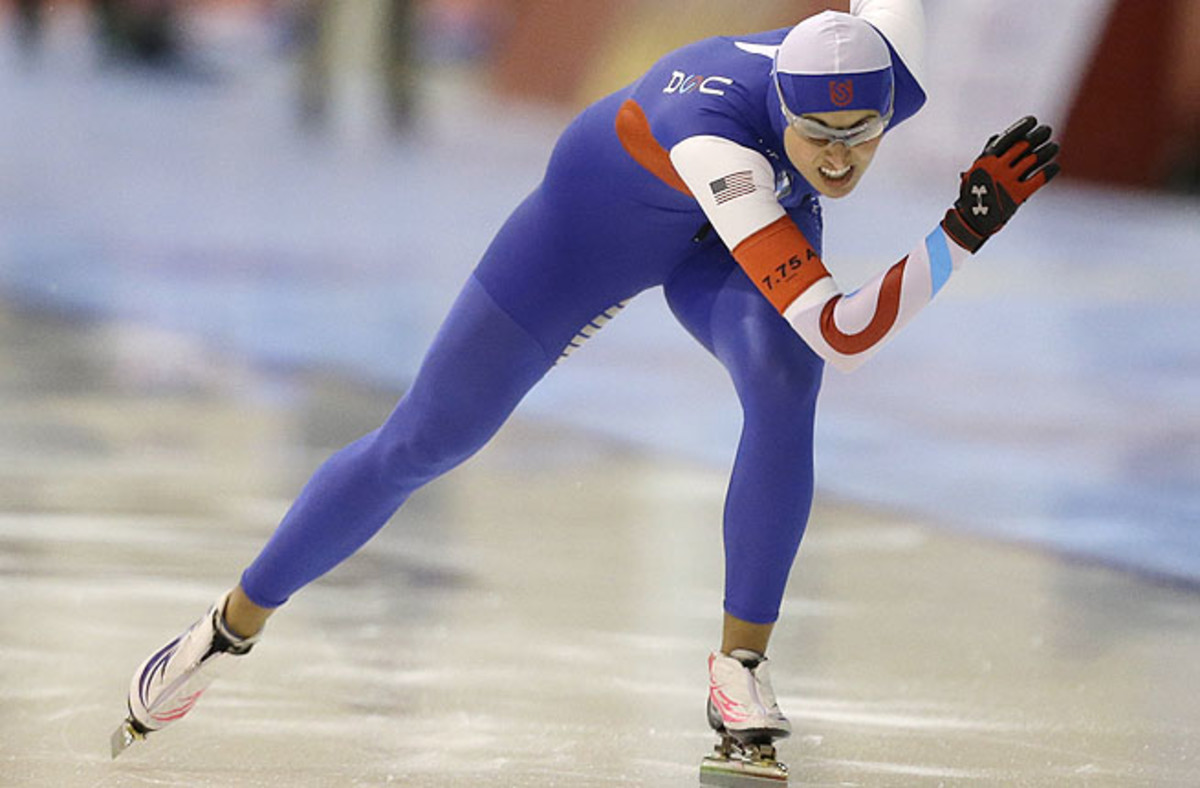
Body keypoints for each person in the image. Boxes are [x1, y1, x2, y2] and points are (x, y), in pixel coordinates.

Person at [113, 0, 1060, 767]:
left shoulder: (886, 58)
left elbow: (825, 330)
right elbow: (849, 326)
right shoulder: (718, 144)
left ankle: (740, 670)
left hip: (725, 244)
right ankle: (226, 627)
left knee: (784, 381)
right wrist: (962, 231)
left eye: (864, 134)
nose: (845, 157)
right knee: (425, 441)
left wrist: (869, 183)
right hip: (594, 225)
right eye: (820, 137)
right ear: (783, 112)